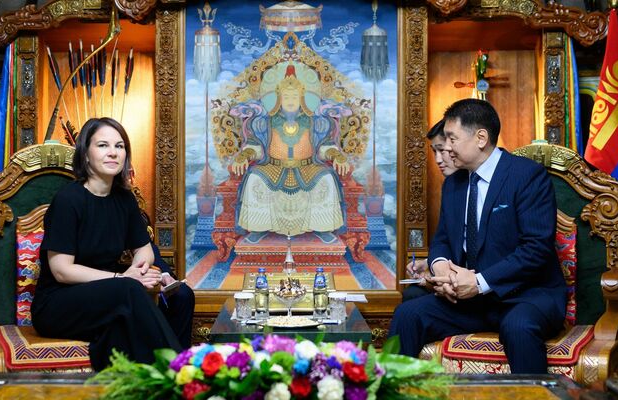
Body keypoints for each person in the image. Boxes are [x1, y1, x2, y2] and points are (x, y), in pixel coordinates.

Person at [389, 99, 566, 374]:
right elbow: (443, 240)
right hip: (471, 301)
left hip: (526, 296)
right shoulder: (454, 184)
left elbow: (535, 249)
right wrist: (441, 267)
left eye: (452, 138)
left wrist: (479, 282)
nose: (446, 147)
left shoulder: (528, 176)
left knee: (517, 326)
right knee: (407, 315)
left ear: (480, 137)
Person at [32, 117, 183, 371]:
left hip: (109, 297)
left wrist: (138, 270)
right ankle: (183, 373)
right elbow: (61, 270)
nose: (113, 152)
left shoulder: (124, 199)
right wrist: (121, 278)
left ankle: (153, 384)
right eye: (103, 145)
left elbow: (144, 250)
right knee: (128, 291)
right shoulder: (68, 200)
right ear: (86, 154)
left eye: (120, 146)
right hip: (58, 304)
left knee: (171, 301)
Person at [230, 64, 350, 243]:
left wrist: (337, 155)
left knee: (326, 178)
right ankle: (258, 228)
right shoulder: (265, 122)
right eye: (286, 96)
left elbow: (324, 147)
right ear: (279, 98)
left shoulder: (315, 122)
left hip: (308, 167)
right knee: (255, 178)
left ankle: (323, 228)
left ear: (302, 97)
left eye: (294, 96)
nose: (290, 100)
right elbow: (256, 146)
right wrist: (244, 155)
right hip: (273, 167)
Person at [402, 119, 458, 302]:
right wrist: (429, 264)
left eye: (442, 150)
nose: (438, 160)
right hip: (449, 276)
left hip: (475, 281)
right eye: (434, 152)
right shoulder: (451, 185)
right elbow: (445, 240)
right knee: (412, 294)